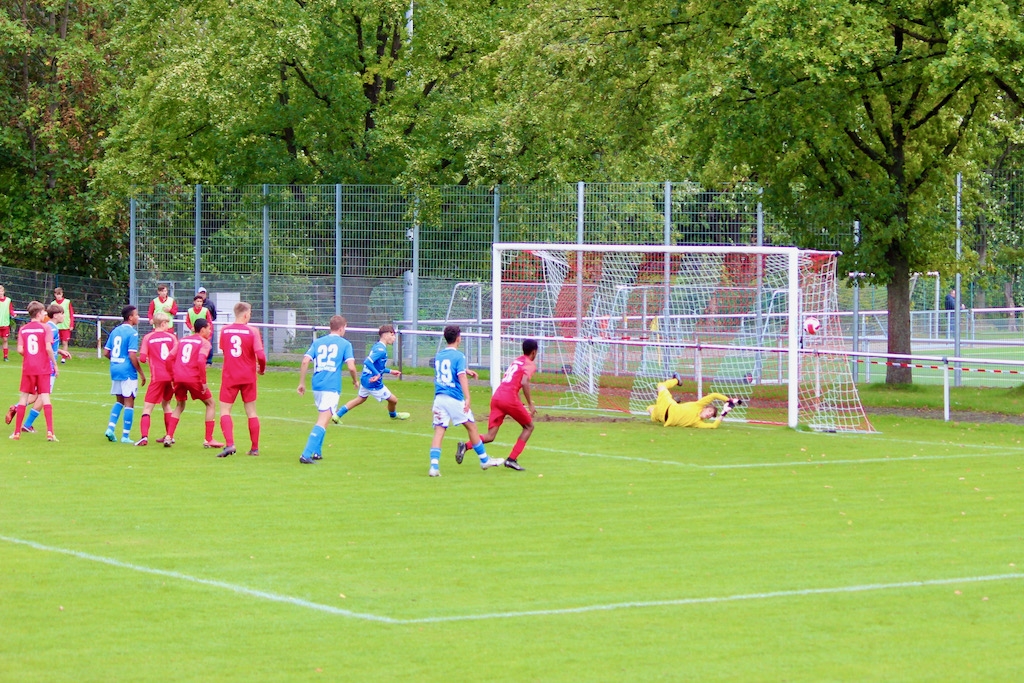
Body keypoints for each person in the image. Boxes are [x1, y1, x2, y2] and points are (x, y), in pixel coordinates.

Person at [428, 325, 503, 477]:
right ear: (458, 338)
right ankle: (484, 460)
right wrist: (467, 397)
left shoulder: (439, 355)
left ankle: (434, 467)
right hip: (454, 398)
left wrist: (466, 370)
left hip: (439, 398)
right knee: (472, 427)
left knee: (439, 431)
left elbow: (446, 371)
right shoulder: (459, 356)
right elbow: (460, 377)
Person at [457, 338, 539, 471]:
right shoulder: (529, 364)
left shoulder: (517, 361)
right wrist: (530, 404)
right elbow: (524, 382)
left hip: (497, 396)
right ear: (534, 352)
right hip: (509, 398)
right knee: (529, 427)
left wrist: (520, 403)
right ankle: (512, 459)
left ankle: (465, 446)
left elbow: (513, 382)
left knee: (490, 436)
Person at [296, 315, 357, 464]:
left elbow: (305, 361)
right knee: (323, 420)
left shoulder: (318, 342)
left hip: (317, 384)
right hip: (331, 386)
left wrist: (302, 383)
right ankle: (306, 454)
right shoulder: (345, 344)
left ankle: (317, 452)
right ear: (342, 328)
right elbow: (351, 366)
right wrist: (355, 380)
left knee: (324, 417)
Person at [216, 301, 266, 457]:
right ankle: (255, 448)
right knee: (251, 411)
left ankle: (230, 444)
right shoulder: (253, 331)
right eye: (250, 312)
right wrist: (261, 369)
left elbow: (224, 350)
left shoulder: (224, 331)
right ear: (246, 314)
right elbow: (261, 355)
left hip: (230, 376)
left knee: (225, 410)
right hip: (248, 376)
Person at [163, 318, 222, 448]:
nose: (210, 331)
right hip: (193, 377)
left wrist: (173, 376)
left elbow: (169, 358)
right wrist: (203, 381)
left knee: (180, 405)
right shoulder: (204, 343)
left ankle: (168, 436)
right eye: (208, 328)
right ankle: (208, 439)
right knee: (211, 403)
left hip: (179, 377)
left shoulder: (182, 340)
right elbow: (201, 361)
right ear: (202, 330)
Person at [333, 324, 409, 424]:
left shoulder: (377, 346)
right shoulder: (381, 350)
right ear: (385, 335)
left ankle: (337, 415)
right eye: (392, 335)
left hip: (365, 378)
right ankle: (393, 415)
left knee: (360, 399)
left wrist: (390, 371)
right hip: (373, 382)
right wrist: (377, 374)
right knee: (393, 400)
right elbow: (367, 362)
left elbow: (378, 366)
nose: (394, 338)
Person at [9, 301, 58, 441]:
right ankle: (50, 433)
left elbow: (19, 349)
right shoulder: (45, 328)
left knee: (24, 398)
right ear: (38, 313)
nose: (45, 315)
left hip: (28, 368)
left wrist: (30, 356)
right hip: (43, 368)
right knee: (45, 397)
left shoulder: (23, 329)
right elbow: (48, 348)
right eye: (43, 312)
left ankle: (17, 433)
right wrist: (55, 364)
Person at [20, 305, 71, 434]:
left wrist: (59, 351)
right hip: (46, 367)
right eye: (62, 313)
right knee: (44, 396)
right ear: (55, 315)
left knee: (35, 395)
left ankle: (18, 410)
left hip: (37, 366)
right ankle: (28, 424)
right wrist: (55, 364)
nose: (64, 316)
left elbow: (45, 346)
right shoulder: (50, 329)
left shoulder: (48, 327)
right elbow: (45, 348)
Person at [103, 305, 146, 443]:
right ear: (130, 317)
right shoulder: (132, 333)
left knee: (119, 400)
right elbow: (132, 355)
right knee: (129, 402)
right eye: (136, 315)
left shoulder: (115, 331)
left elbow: (106, 352)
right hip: (127, 370)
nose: (138, 317)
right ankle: (125, 436)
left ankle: (110, 428)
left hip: (115, 368)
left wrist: (116, 362)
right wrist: (141, 372)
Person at [135, 312, 178, 446]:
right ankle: (169, 436)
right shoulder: (172, 338)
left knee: (147, 407)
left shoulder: (148, 338)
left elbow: (142, 358)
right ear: (163, 323)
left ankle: (144, 437)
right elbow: (176, 355)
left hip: (157, 377)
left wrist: (149, 358)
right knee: (166, 404)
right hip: (171, 377)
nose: (169, 326)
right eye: (167, 323)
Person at [646, 374, 739, 428]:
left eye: (710, 415)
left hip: (664, 418)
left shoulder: (697, 423)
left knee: (650, 409)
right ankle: (677, 380)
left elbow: (713, 426)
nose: (709, 414)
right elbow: (714, 395)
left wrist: (724, 413)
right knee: (661, 385)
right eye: (710, 411)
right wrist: (728, 400)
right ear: (705, 408)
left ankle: (675, 402)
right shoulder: (698, 405)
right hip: (668, 404)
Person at [50, 286, 74, 362]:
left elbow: (71, 313)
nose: (58, 296)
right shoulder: (53, 303)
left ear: (62, 294)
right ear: (55, 295)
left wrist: (71, 324)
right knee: (54, 342)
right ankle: (53, 356)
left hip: (65, 325)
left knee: (64, 342)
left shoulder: (67, 302)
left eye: (59, 294)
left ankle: (64, 358)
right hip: (55, 326)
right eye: (57, 294)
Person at [197, 287, 217, 365]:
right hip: (198, 328)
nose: (202, 295)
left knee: (209, 343)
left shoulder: (210, 303)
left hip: (207, 327)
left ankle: (209, 361)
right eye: (200, 293)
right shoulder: (195, 304)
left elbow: (214, 315)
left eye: (203, 293)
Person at [0, 285, 13, 361]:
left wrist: (13, 314)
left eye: (1, 291)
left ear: (3, 292)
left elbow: (10, 309)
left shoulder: (8, 300)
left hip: (5, 324)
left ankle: (5, 356)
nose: (0, 293)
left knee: (5, 340)